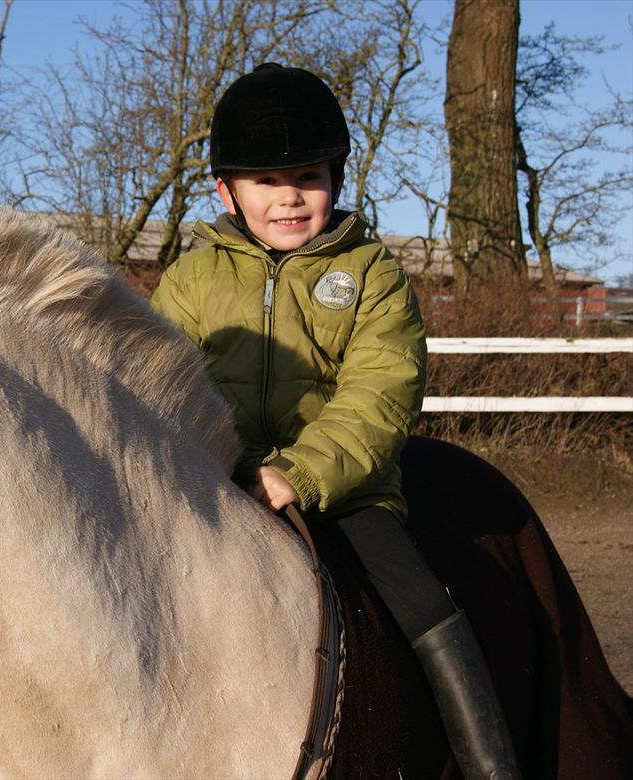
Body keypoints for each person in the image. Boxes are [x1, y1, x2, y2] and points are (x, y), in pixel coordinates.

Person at [151, 63, 519, 780]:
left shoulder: (373, 273)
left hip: (345, 490)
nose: (289, 196)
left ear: (335, 181)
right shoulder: (189, 281)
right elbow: (157, 383)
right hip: (216, 480)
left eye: (309, 178)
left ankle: (488, 761)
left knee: (424, 605)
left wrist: (299, 472)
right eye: (265, 182)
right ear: (225, 190)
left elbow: (382, 389)